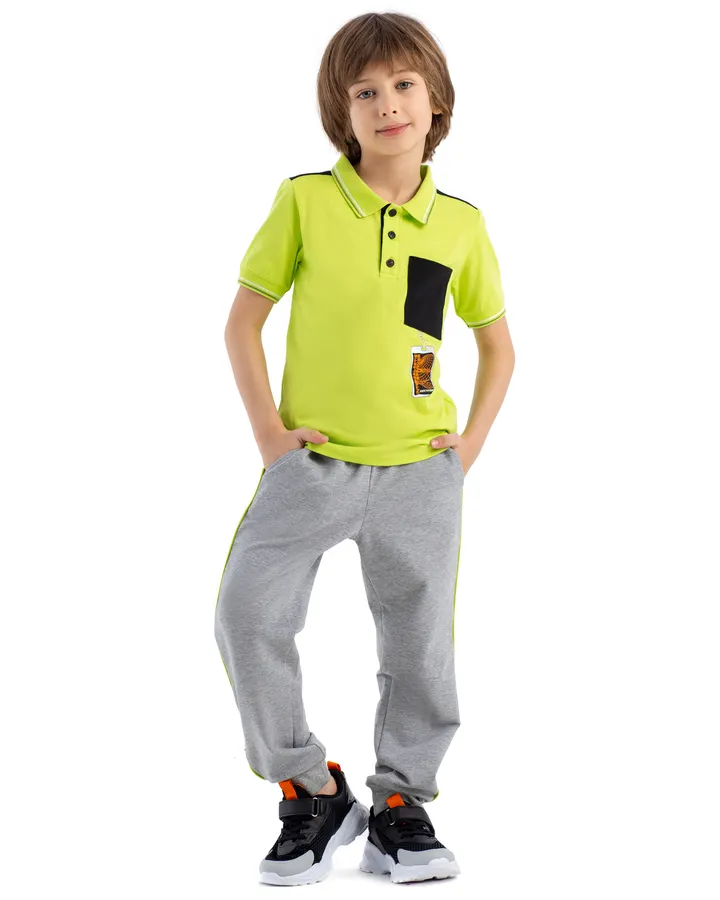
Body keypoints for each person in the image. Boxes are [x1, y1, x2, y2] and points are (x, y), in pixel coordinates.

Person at [214, 11, 515, 887]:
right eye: (366, 91)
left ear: (436, 100)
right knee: (246, 613)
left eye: (404, 86)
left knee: (419, 646)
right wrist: (270, 437)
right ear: (341, 112)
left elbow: (498, 345)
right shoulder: (305, 202)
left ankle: (400, 806)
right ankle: (311, 788)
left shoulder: (460, 224)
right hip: (310, 466)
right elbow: (242, 323)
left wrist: (465, 450)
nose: (388, 105)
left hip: (421, 470)